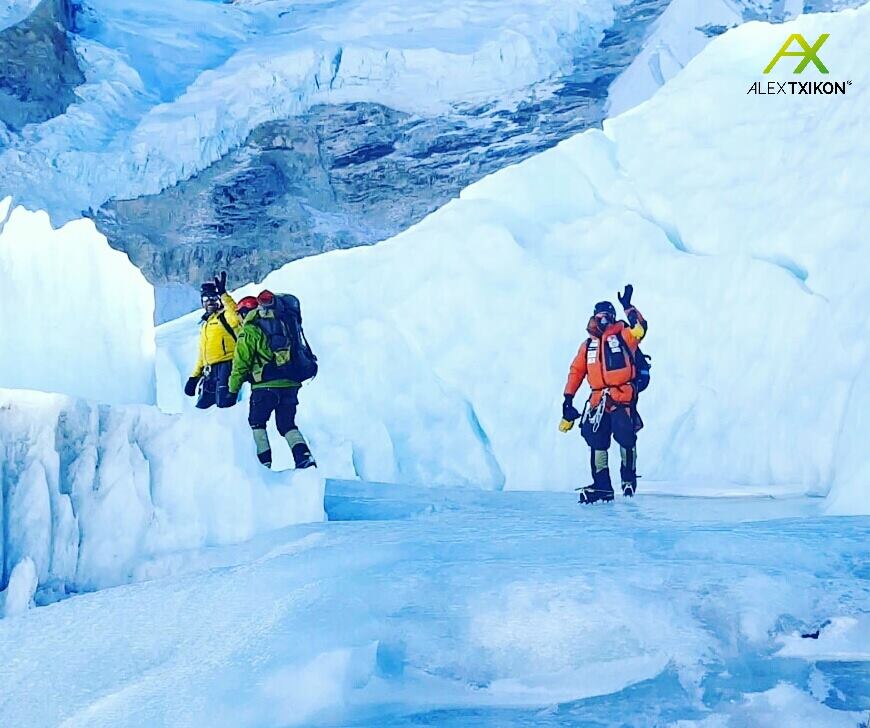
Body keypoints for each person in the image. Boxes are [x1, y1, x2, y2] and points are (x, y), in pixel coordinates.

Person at [559, 284, 648, 504]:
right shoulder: (588, 345)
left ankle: (628, 480)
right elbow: (577, 371)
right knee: (596, 439)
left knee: (625, 436)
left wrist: (628, 307)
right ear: (593, 317)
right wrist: (568, 399)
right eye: (600, 315)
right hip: (599, 400)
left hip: (621, 397)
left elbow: (641, 329)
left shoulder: (625, 336)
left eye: (608, 315)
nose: (604, 319)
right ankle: (602, 487)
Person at [228, 289, 316, 470]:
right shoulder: (284, 323)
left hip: (264, 386)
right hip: (291, 383)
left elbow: (240, 363)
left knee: (257, 424)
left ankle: (263, 467)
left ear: (245, 313)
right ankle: (304, 458)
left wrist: (232, 390)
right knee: (287, 425)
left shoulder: (250, 330)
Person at [184, 271, 241, 409]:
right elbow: (203, 354)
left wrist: (223, 294)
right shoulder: (206, 324)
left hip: (227, 366)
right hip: (209, 371)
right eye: (205, 300)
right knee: (202, 408)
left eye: (213, 299)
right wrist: (195, 376)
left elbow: (236, 314)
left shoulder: (225, 316)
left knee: (225, 405)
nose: (209, 303)